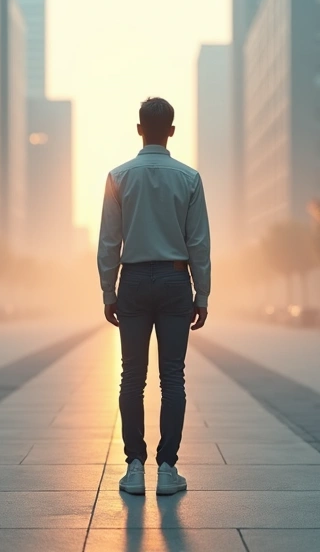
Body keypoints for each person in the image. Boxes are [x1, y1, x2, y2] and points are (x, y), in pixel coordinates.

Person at [97, 96, 211, 497]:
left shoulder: (119, 176)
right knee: (173, 376)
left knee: (132, 376)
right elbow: (199, 242)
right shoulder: (189, 178)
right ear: (172, 132)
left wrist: (108, 291)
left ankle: (133, 466)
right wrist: (203, 294)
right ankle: (167, 468)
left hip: (133, 281)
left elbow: (109, 242)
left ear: (140, 129)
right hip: (176, 282)